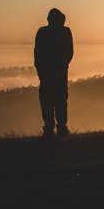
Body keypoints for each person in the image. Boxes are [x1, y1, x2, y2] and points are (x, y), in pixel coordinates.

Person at [34, 8, 73, 137]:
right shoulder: (65, 32)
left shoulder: (43, 32)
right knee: (58, 101)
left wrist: (41, 71)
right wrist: (61, 66)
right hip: (57, 74)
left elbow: (37, 55)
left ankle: (52, 128)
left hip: (49, 75)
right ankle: (58, 128)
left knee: (49, 102)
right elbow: (69, 54)